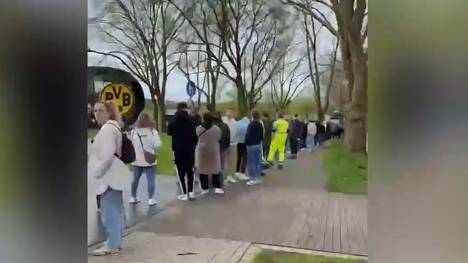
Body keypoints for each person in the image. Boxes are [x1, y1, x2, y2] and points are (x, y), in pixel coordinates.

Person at [88, 101, 130, 256]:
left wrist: (96, 173)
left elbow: (107, 155)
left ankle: (112, 243)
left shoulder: (107, 129)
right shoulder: (114, 128)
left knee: (109, 211)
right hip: (113, 176)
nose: (97, 113)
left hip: (108, 178)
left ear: (109, 112)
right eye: (95, 110)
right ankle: (115, 241)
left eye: (101, 110)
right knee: (115, 210)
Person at [129, 112, 161, 206]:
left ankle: (133, 197)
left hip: (137, 159)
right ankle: (150, 199)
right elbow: (157, 145)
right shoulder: (152, 132)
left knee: (135, 179)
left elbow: (131, 144)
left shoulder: (134, 132)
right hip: (149, 160)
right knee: (151, 179)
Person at [168, 102, 198, 201]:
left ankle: (184, 193)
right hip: (190, 149)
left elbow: (169, 132)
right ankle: (191, 191)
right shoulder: (191, 120)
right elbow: (194, 136)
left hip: (178, 148)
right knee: (190, 171)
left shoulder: (173, 120)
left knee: (180, 171)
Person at [196, 112, 224, 194]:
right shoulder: (216, 129)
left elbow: (196, 137)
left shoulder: (198, 129)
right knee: (215, 168)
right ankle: (217, 187)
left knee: (203, 169)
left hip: (203, 151)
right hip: (213, 149)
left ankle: (204, 188)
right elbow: (219, 137)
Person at [245, 110, 264, 185]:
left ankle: (252, 179)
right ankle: (258, 178)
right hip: (258, 144)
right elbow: (262, 135)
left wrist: (247, 142)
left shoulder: (251, 124)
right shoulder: (260, 124)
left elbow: (248, 135)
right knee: (257, 161)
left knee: (251, 162)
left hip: (251, 145)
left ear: (252, 116)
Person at [213, 111, 231, 188]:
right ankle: (221, 182)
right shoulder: (225, 126)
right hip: (222, 148)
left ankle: (213, 183)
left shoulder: (210, 126)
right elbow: (228, 138)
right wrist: (226, 147)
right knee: (221, 166)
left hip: (212, 149)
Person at [222, 108, 238, 183]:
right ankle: (225, 177)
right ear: (226, 112)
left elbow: (236, 132)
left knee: (232, 161)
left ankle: (230, 176)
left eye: (231, 112)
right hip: (225, 143)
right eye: (228, 112)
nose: (230, 114)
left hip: (233, 143)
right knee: (224, 161)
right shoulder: (223, 120)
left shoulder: (235, 122)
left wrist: (235, 141)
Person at [235, 115, 251, 180]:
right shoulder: (248, 124)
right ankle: (242, 173)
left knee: (238, 158)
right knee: (244, 159)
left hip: (237, 142)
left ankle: (237, 172)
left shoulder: (237, 123)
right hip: (245, 143)